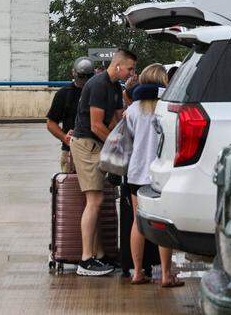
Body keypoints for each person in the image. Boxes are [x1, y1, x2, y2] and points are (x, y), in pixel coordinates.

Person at [69, 47, 137, 277]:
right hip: (87, 145)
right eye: (129, 68)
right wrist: (116, 147)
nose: (131, 73)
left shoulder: (116, 87)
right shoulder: (98, 85)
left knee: (100, 200)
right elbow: (96, 125)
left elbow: (118, 117)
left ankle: (99, 255)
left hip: (99, 145)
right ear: (117, 65)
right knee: (94, 199)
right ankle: (85, 259)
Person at [123, 63, 183, 288]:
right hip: (161, 173)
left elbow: (127, 138)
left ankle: (137, 272)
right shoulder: (167, 108)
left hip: (136, 172)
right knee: (162, 224)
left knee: (138, 223)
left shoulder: (132, 110)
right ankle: (166, 275)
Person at [46, 57, 94, 174]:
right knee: (70, 188)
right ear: (74, 73)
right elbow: (51, 123)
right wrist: (64, 138)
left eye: (88, 76)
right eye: (81, 76)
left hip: (94, 151)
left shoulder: (98, 92)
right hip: (70, 151)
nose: (84, 80)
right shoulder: (63, 94)